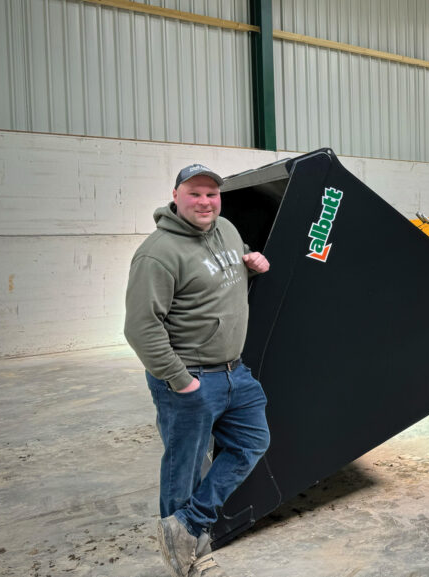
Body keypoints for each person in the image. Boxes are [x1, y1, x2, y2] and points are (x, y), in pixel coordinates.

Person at [124, 164, 271, 577]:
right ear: (176, 196)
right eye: (195, 194)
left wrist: (252, 264)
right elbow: (140, 326)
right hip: (190, 377)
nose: (205, 202)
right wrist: (180, 379)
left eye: (211, 194)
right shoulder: (158, 253)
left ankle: (185, 525)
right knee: (184, 468)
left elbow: (221, 279)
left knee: (252, 441)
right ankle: (191, 558)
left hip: (233, 372)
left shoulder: (226, 229)